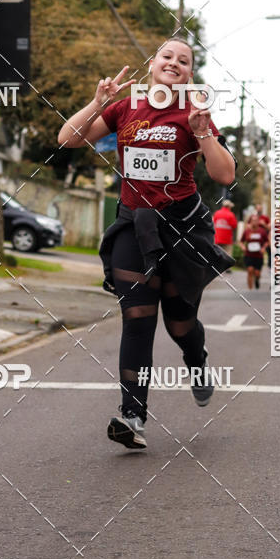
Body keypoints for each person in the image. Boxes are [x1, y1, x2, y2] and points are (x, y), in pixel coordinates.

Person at [58, 37, 236, 450]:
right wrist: (96, 101)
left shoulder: (193, 111)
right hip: (134, 225)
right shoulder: (124, 108)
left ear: (190, 73)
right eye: (167, 56)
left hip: (182, 228)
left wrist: (203, 132)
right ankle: (132, 415)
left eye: (184, 60)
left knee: (179, 322)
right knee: (137, 317)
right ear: (152, 63)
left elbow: (225, 174)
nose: (174, 63)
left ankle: (197, 361)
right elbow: (67, 139)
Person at [239, 212, 269, 289]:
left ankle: (257, 279)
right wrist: (243, 247)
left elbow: (267, 241)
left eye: (256, 220)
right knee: (250, 270)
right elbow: (241, 241)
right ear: (250, 221)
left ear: (258, 221)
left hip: (259, 255)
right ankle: (250, 289)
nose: (254, 222)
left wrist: (263, 248)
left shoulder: (262, 231)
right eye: (253, 220)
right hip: (249, 255)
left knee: (257, 273)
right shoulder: (247, 231)